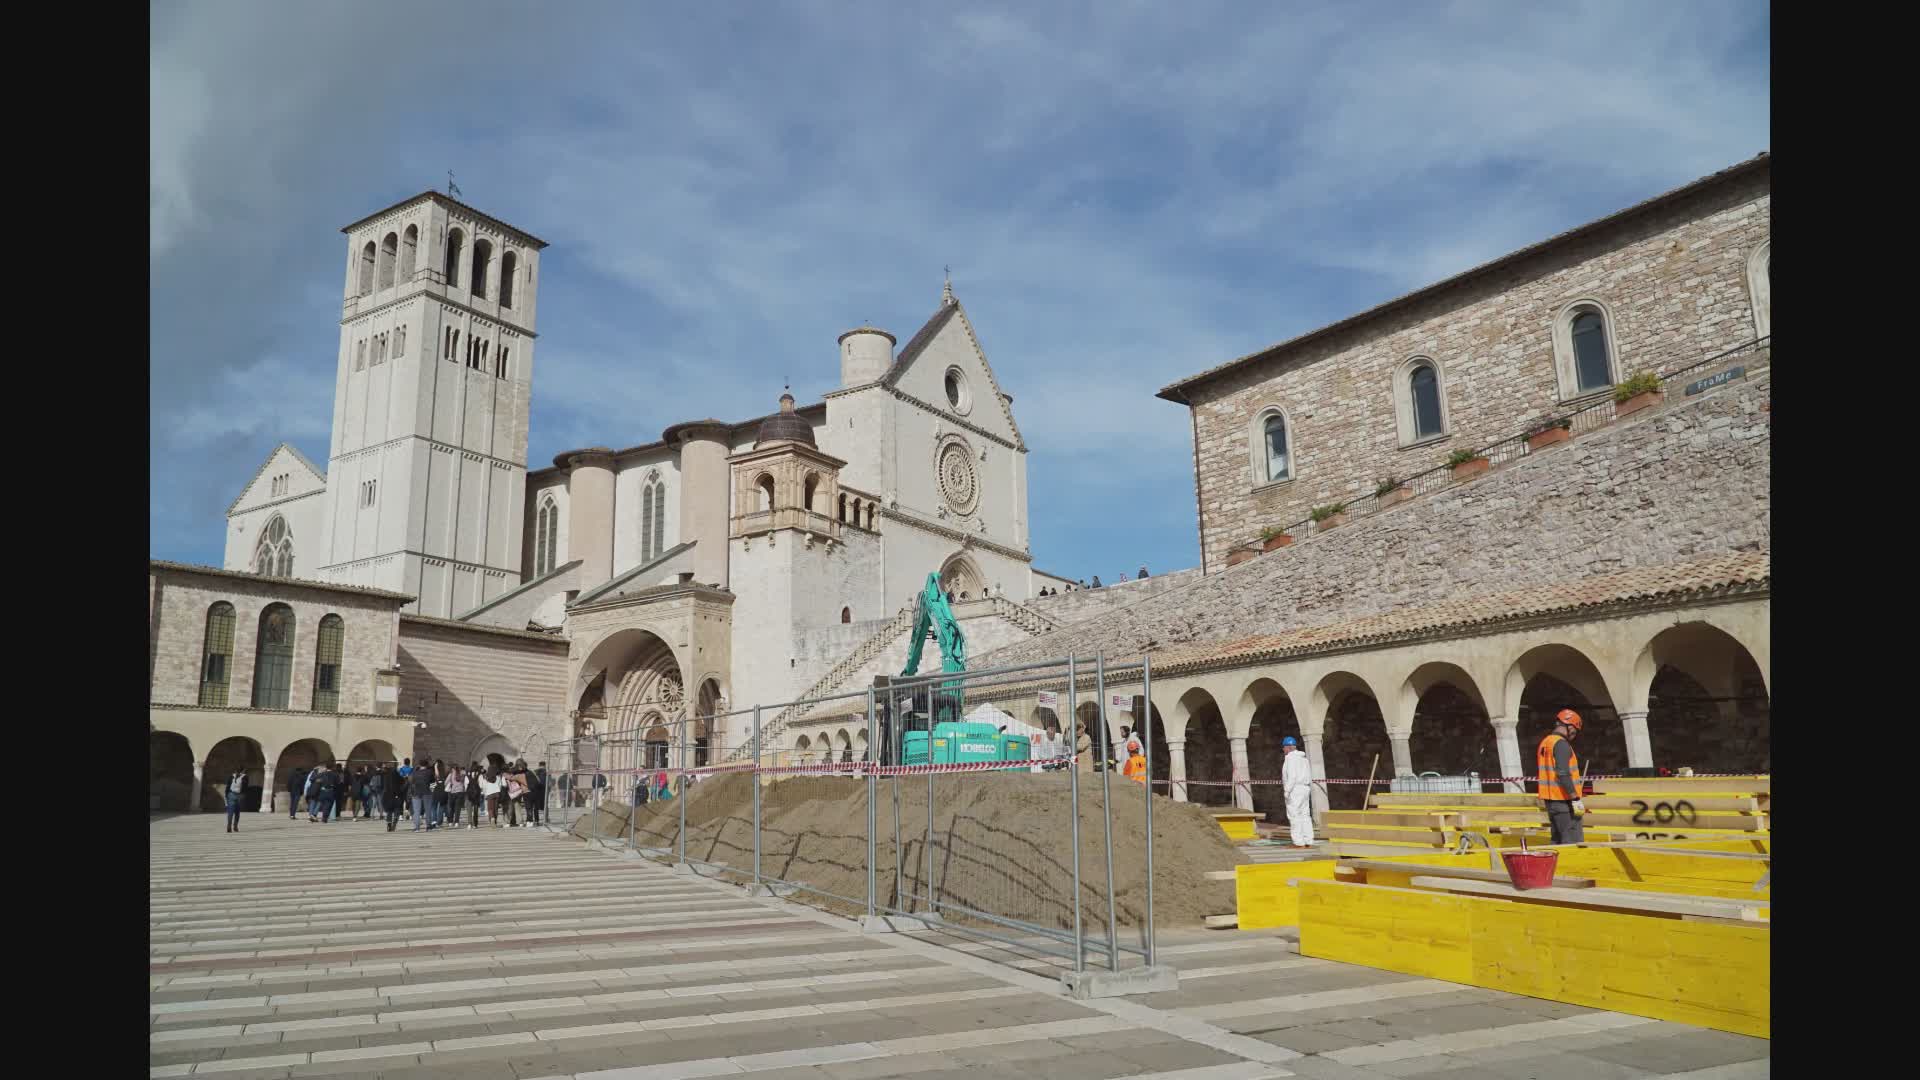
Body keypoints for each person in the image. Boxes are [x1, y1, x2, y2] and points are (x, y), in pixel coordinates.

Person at [1537, 708, 1587, 844]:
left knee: (1558, 842)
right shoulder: (1561, 744)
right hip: (1564, 802)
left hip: (1551, 802)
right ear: (1569, 726)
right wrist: (1575, 798)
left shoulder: (1546, 742)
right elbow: (1563, 773)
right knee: (1572, 842)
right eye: (1575, 731)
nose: (1574, 735)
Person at [1280, 736, 1315, 848]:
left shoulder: (1290, 759)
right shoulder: (1304, 759)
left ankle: (1298, 842)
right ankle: (1308, 840)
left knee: (1294, 816)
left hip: (1295, 790)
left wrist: (1287, 791)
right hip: (1305, 788)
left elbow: (1292, 777)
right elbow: (1309, 775)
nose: (1283, 750)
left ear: (1288, 747)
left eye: (1284, 747)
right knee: (1305, 815)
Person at [407, 760, 434, 832]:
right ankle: (428, 826)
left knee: (416, 811)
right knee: (428, 810)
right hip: (427, 792)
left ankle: (417, 827)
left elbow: (411, 782)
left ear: (419, 765)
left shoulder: (415, 773)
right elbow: (433, 782)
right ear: (427, 765)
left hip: (416, 793)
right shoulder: (429, 772)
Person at [381, 764, 403, 832]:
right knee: (397, 809)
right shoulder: (396, 775)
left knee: (389, 811)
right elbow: (402, 781)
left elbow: (383, 785)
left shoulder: (385, 776)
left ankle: (389, 824)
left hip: (387, 795)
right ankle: (394, 824)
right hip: (396, 794)